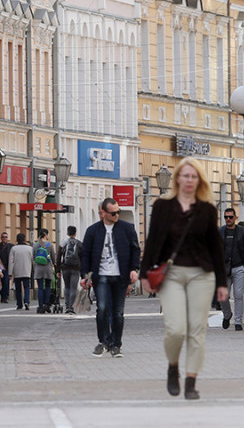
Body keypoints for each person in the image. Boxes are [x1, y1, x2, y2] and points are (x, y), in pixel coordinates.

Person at [140, 157, 228, 400]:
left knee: (197, 330)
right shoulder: (162, 207)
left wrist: (222, 282)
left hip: (202, 275)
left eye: (194, 176)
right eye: (185, 175)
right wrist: (145, 272)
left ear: (199, 180)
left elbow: (215, 247)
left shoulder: (207, 209)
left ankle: (191, 381)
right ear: (177, 178)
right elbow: (152, 241)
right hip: (172, 275)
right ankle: (172, 367)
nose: (189, 180)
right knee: (176, 329)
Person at [81, 198, 141, 358]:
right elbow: (85, 253)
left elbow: (135, 250)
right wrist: (84, 275)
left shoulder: (127, 228)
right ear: (104, 213)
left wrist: (134, 269)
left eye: (118, 212)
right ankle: (103, 341)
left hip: (120, 276)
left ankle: (116, 345)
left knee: (118, 313)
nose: (116, 215)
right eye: (113, 213)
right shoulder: (93, 230)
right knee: (102, 309)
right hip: (101, 276)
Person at [59, 225, 82, 314]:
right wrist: (83, 271)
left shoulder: (63, 243)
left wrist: (58, 270)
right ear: (75, 233)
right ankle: (71, 307)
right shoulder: (79, 244)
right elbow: (82, 257)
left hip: (65, 268)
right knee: (73, 288)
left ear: (67, 233)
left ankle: (67, 306)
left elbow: (58, 257)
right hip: (76, 269)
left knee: (67, 287)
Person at [33, 228, 56, 314]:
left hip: (38, 268)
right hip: (47, 268)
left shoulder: (35, 245)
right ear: (46, 235)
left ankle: (40, 306)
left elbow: (33, 258)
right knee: (47, 287)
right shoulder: (49, 245)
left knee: (40, 288)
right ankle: (46, 304)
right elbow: (53, 258)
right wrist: (55, 265)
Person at [8, 233, 33, 310]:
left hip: (17, 271)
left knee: (18, 288)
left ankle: (19, 304)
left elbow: (11, 261)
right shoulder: (30, 248)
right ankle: (26, 301)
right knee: (26, 287)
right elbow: (33, 260)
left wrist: (10, 273)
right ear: (25, 239)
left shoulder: (14, 249)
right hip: (26, 270)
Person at [0, 232, 13, 304]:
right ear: (1, 238)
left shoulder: (11, 246)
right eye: (3, 237)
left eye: (6, 237)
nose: (4, 238)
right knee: (0, 282)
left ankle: (5, 297)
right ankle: (2, 295)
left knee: (6, 281)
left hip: (7, 267)